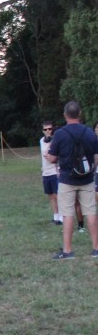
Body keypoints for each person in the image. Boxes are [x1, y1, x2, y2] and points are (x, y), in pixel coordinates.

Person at [47, 100, 98, 259]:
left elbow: (53, 158)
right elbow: (96, 157)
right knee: (91, 211)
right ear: (80, 114)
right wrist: (90, 170)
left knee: (67, 213)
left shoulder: (60, 134)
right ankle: (96, 248)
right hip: (87, 179)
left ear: (65, 115)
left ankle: (68, 251)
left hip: (67, 179)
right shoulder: (89, 132)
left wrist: (50, 156)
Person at [41, 121, 61, 224]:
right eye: (45, 129)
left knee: (57, 196)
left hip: (54, 172)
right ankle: (55, 217)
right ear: (43, 131)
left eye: (50, 129)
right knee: (51, 196)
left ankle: (62, 217)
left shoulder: (56, 141)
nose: (48, 131)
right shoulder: (41, 141)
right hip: (45, 172)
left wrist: (52, 140)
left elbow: (49, 156)